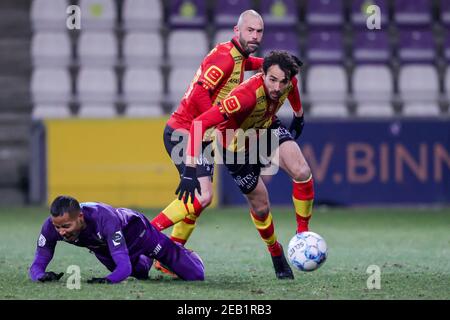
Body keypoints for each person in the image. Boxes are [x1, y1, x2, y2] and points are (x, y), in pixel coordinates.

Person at [176, 51, 314, 280]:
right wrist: (190, 168)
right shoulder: (244, 96)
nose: (278, 87)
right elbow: (200, 122)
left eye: (283, 81)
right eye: (272, 80)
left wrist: (298, 114)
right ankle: (275, 251)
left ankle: (303, 233)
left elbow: (293, 86)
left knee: (302, 171)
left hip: (265, 128)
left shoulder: (286, 82)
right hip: (235, 148)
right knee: (261, 207)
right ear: (262, 74)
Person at [150, 10, 265, 267]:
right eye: (250, 30)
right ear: (237, 31)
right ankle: (144, 235)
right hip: (184, 131)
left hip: (201, 135)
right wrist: (217, 117)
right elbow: (200, 92)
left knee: (200, 201)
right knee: (201, 197)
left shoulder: (235, 56)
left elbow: (246, 64)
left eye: (259, 31)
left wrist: (268, 64)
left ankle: (167, 257)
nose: (255, 36)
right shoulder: (225, 58)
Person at [29, 196, 204, 284]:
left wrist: (108, 280)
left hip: (141, 234)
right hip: (106, 249)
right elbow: (38, 263)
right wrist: (40, 276)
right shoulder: (51, 226)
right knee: (142, 274)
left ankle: (181, 253)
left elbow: (124, 268)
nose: (61, 232)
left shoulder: (104, 219)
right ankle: (150, 259)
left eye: (66, 226)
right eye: (57, 227)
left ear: (81, 217)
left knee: (196, 276)